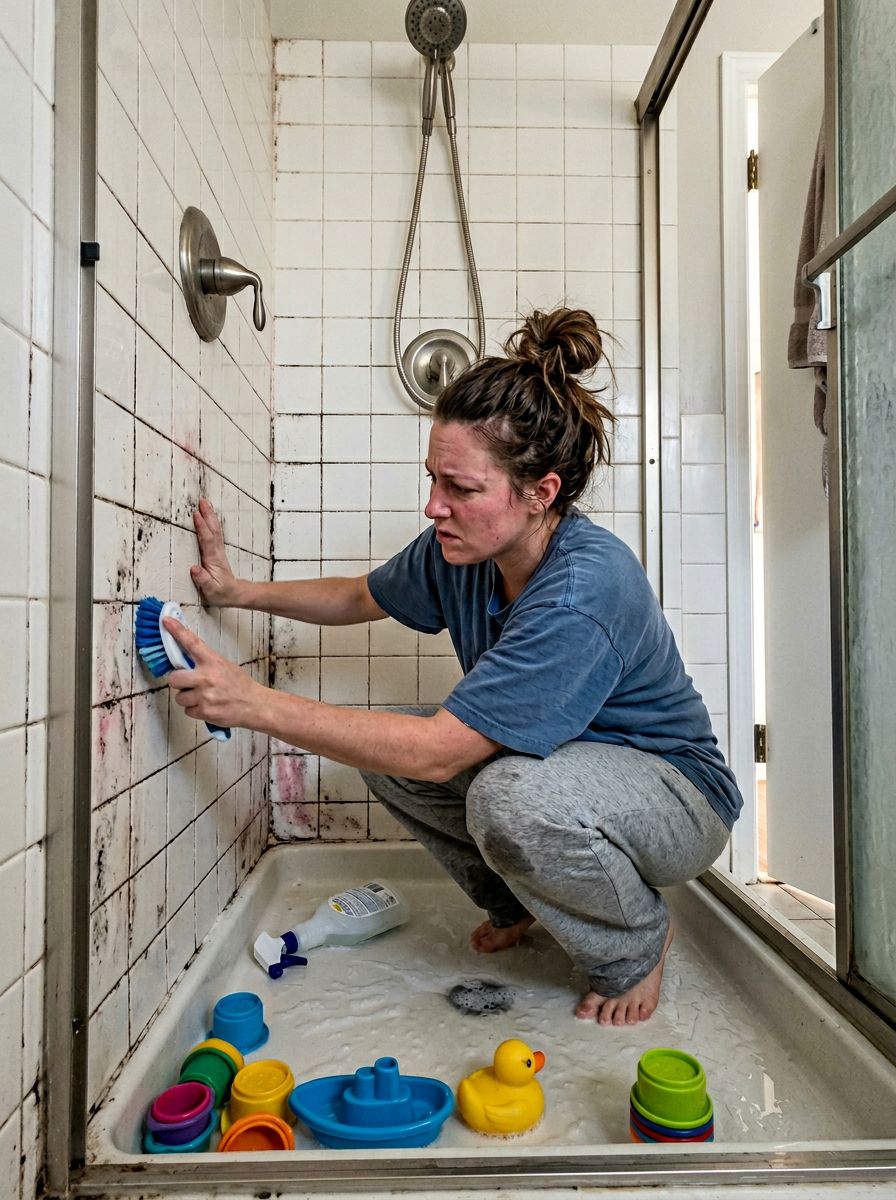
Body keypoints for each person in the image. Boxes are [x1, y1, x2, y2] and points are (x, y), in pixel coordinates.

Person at [164, 307, 742, 1027]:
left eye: (461, 489)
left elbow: (443, 754)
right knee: (383, 748)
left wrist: (251, 702)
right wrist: (239, 591)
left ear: (542, 493)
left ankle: (634, 944)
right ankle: (518, 904)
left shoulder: (584, 589)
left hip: (676, 799)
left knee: (505, 793)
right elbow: (358, 595)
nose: (434, 506)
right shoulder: (461, 550)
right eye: (435, 479)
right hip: (571, 774)